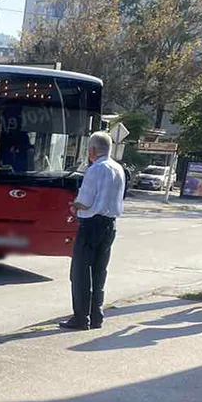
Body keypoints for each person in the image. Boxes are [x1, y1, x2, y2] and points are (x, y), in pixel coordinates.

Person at [61, 131, 125, 331]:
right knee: (99, 271)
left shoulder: (96, 168)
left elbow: (86, 201)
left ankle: (81, 317)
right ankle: (97, 315)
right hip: (110, 224)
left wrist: (74, 206)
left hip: (91, 225)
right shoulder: (118, 168)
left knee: (80, 272)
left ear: (93, 150)